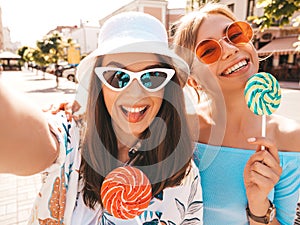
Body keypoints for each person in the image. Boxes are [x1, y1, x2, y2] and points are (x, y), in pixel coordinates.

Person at [0, 12, 203, 224]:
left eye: (152, 77)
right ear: (100, 85)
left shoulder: (185, 174)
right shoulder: (71, 141)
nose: (135, 94)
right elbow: (16, 136)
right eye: (117, 76)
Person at [173, 2, 300, 225]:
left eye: (235, 34)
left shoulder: (290, 138)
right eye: (209, 50)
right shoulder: (182, 130)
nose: (231, 49)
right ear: (193, 78)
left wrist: (259, 206)